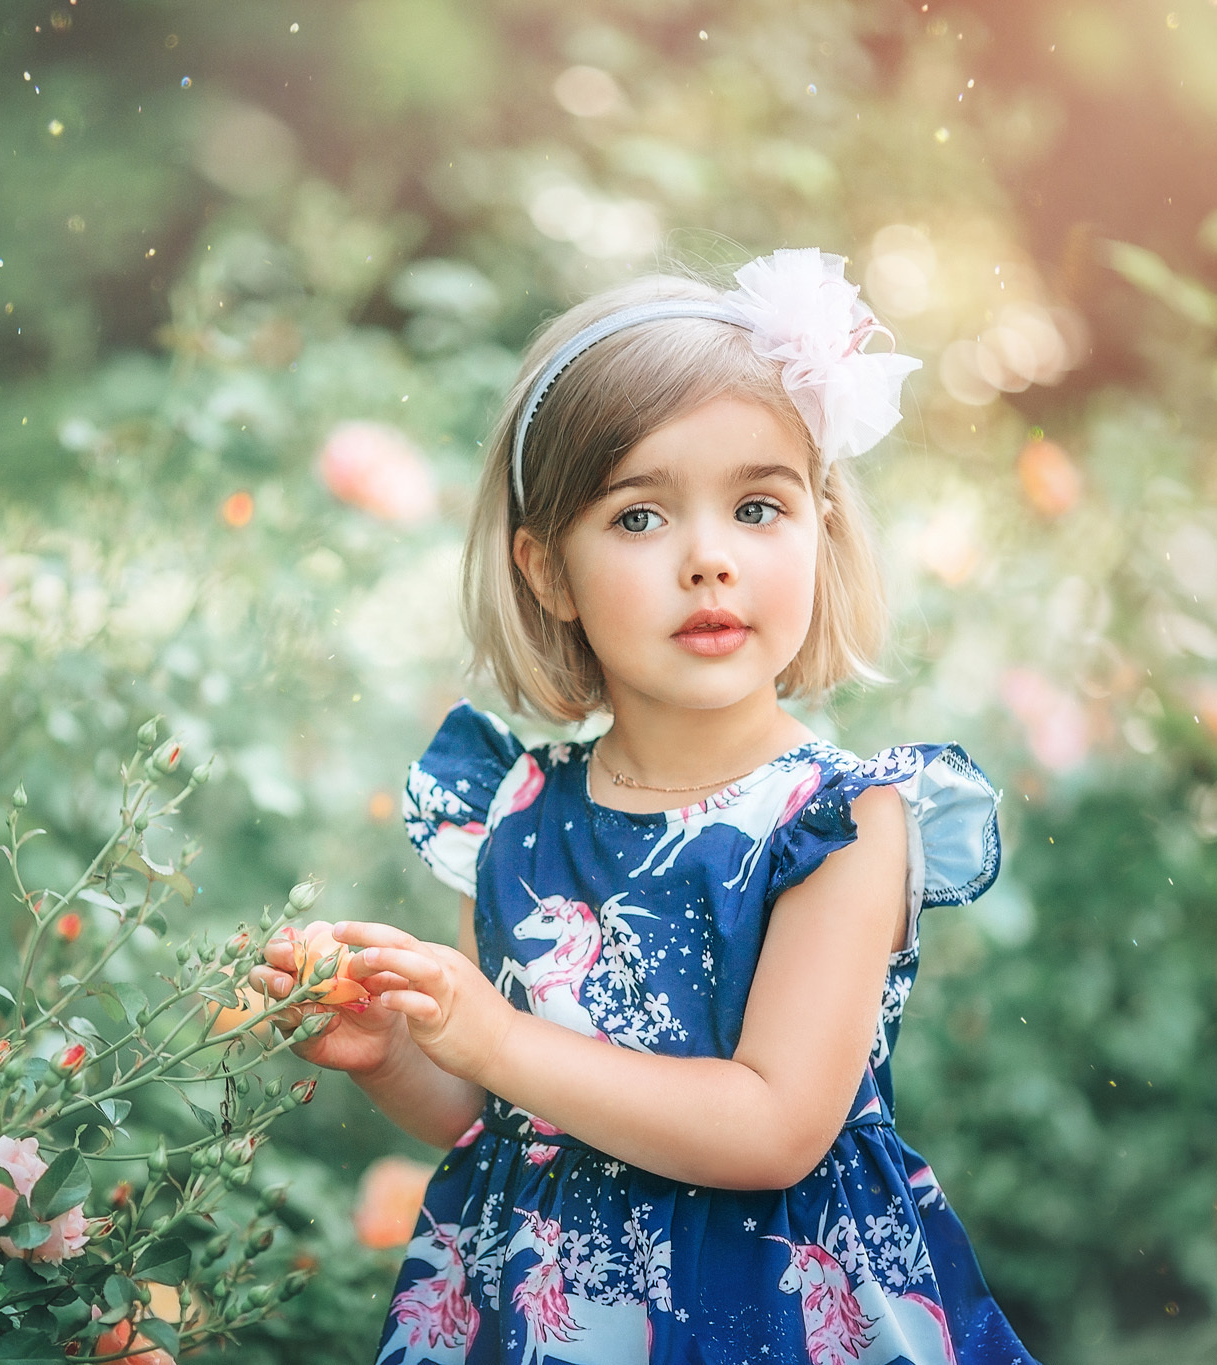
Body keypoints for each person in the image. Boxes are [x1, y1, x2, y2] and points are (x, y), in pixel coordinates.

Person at [254, 248, 1037, 1364]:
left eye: (757, 507)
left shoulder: (839, 823)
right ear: (547, 571)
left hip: (761, 1311)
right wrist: (395, 1052)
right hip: (548, 1318)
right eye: (638, 519)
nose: (709, 559)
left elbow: (770, 1128)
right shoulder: (514, 813)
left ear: (819, 528)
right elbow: (507, 1123)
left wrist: (495, 1035)